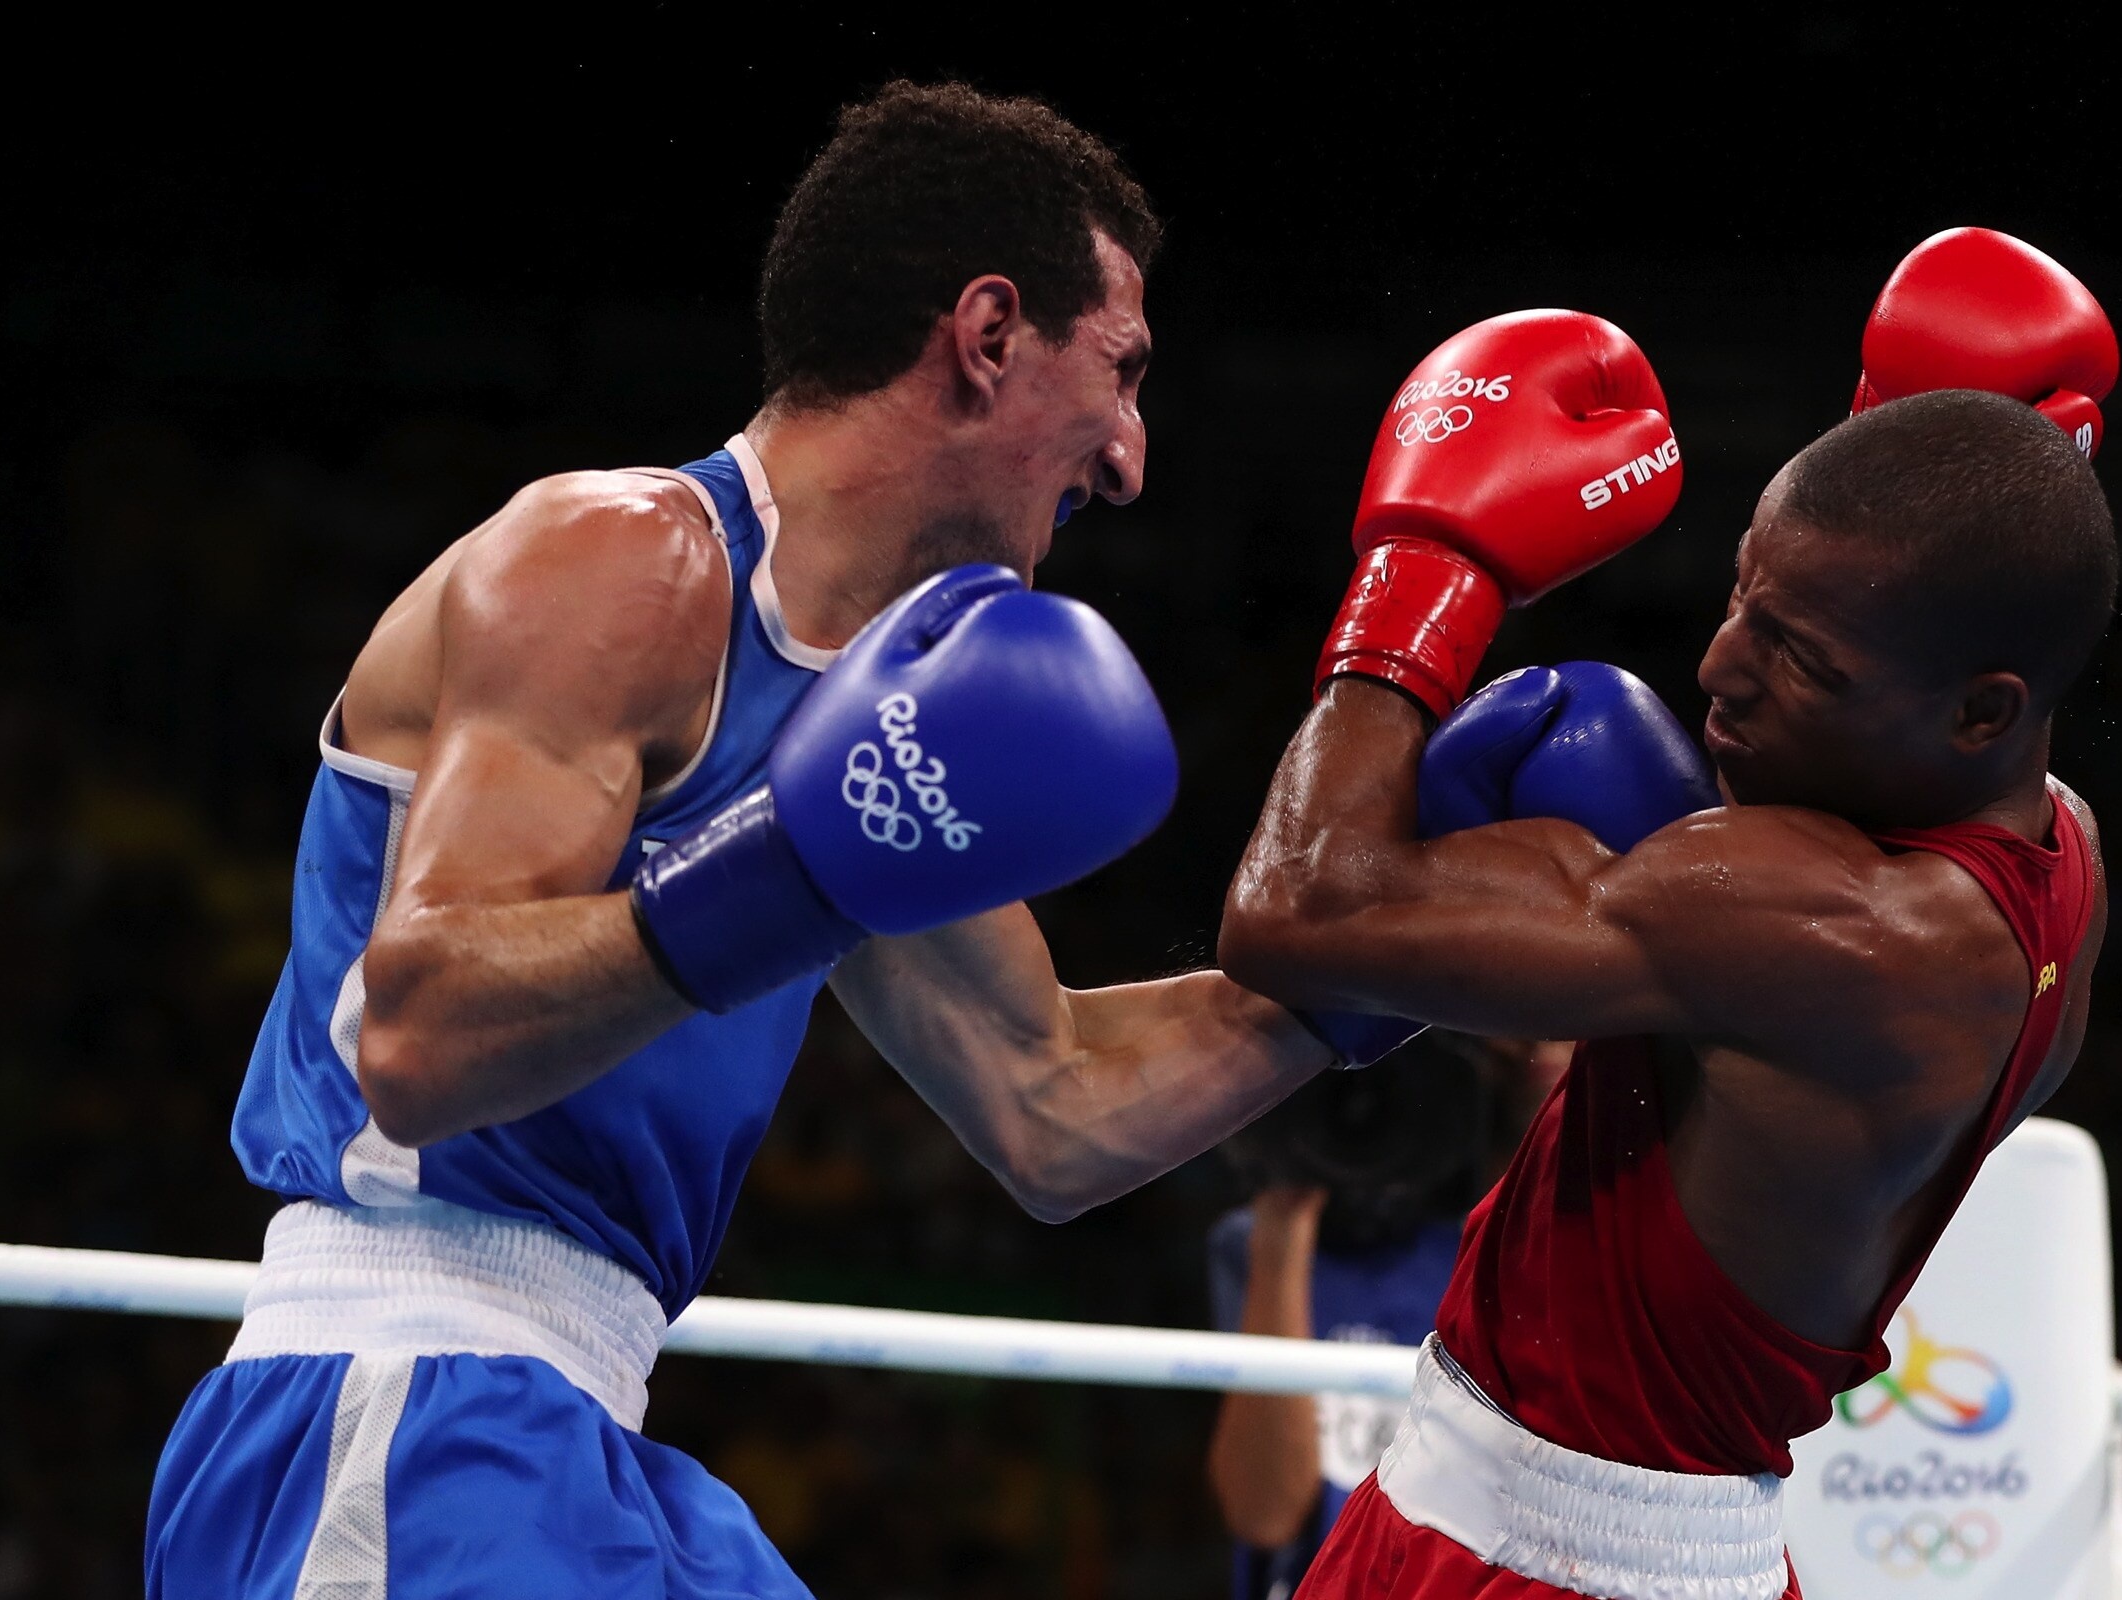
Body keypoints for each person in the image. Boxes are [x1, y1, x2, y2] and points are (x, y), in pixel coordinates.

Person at [145, 82, 1339, 1598]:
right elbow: (420, 1028)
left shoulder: (871, 730)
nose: (1128, 456)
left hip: (587, 1433)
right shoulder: (619, 561)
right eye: (1121, 372)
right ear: (985, 334)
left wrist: (1383, 978)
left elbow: (1054, 1102)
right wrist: (783, 871)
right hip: (400, 1394)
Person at [1217, 241, 2119, 1595]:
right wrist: (1940, 464)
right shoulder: (2064, 847)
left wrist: (1421, 580)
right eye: (1746, 597)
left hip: (1530, 1563)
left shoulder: (1828, 925)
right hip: (1588, 1532)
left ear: (1979, 710)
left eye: (1801, 657)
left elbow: (1297, 906)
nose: (1719, 667)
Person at [1207, 1038, 1570, 1600]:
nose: (1364, 1108)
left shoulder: (1495, 1251)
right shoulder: (1252, 1245)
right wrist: (1283, 1221)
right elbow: (1265, 1517)